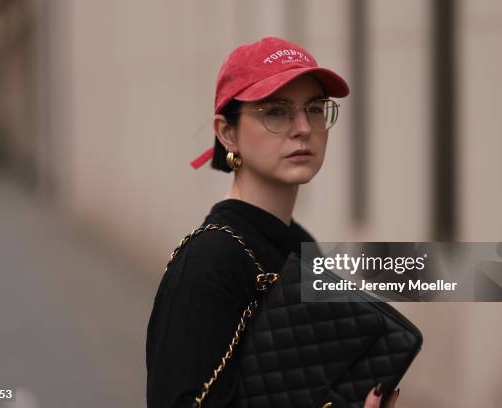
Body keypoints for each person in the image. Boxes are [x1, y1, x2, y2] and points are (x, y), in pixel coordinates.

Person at [145, 37, 400, 408]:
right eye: (276, 112)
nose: (303, 127)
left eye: (314, 108)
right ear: (227, 132)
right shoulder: (208, 265)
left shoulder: (298, 244)